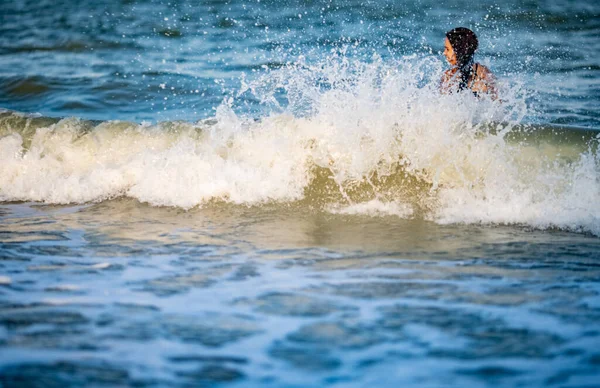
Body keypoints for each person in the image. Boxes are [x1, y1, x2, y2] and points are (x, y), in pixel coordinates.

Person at [441, 27, 497, 98]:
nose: (444, 53)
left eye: (447, 49)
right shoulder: (447, 76)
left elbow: (497, 102)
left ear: (459, 50)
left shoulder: (483, 75)